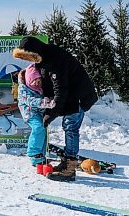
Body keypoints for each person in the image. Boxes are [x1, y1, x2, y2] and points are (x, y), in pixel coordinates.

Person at [13, 36, 98, 182]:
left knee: (70, 127)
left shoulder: (54, 60)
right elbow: (46, 85)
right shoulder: (43, 59)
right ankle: (67, 163)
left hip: (78, 96)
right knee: (68, 126)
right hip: (69, 95)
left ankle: (69, 168)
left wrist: (51, 113)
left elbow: (60, 89)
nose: (30, 60)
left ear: (36, 51)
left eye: (31, 56)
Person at [17, 64, 55, 166]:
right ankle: (33, 153)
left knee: (44, 130)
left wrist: (50, 100)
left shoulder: (40, 88)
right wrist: (44, 102)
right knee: (38, 128)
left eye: (39, 81)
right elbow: (30, 100)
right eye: (34, 81)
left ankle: (40, 157)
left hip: (39, 113)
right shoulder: (23, 88)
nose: (37, 84)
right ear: (29, 79)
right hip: (30, 113)